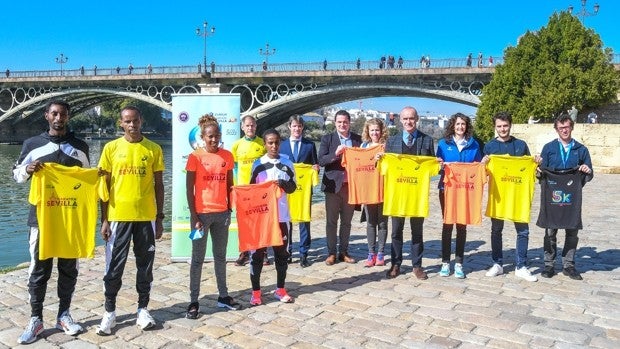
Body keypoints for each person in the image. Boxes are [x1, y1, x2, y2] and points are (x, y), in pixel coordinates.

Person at [12, 100, 88, 344]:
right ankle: (36, 319)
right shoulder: (32, 145)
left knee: (68, 270)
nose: (58, 118)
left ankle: (64, 315)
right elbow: (16, 175)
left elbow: (88, 180)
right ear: (46, 116)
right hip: (41, 220)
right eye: (54, 113)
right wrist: (28, 169)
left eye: (63, 114)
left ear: (68, 116)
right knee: (38, 271)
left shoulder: (80, 147)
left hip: (69, 221)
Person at [96, 106, 164, 335]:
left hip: (146, 217)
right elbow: (102, 187)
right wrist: (104, 219)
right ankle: (109, 312)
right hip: (118, 217)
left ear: (141, 121)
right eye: (127, 121)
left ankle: (143, 309)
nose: (132, 125)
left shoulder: (153, 149)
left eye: (135, 120)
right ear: (121, 123)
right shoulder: (111, 148)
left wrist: (160, 217)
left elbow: (159, 185)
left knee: (145, 267)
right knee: (114, 267)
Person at [185, 114, 240, 319]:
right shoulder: (195, 157)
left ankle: (223, 296)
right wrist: (194, 215)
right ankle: (193, 301)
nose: (214, 140)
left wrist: (230, 208)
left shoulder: (227, 156)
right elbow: (189, 188)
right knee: (197, 259)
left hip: (222, 215)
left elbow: (229, 184)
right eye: (210, 136)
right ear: (202, 137)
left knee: (220, 257)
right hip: (201, 216)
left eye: (217, 136)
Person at [482, 112, 538, 282]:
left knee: (523, 231)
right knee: (496, 230)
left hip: (518, 196)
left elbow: (531, 167)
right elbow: (482, 174)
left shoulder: (520, 145)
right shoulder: (489, 147)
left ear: (510, 125)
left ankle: (521, 266)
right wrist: (483, 163)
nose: (502, 129)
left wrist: (536, 161)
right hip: (498, 195)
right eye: (499, 126)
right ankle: (497, 264)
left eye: (505, 126)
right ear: (495, 127)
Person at [536, 114, 593, 280]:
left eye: (567, 127)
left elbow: (589, 172)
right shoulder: (549, 148)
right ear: (556, 130)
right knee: (550, 231)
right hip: (552, 196)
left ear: (572, 127)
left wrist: (586, 171)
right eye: (561, 128)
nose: (564, 130)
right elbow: (541, 174)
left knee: (572, 231)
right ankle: (549, 264)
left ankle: (569, 265)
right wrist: (538, 171)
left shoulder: (581, 150)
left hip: (572, 197)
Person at [383, 106, 435, 280]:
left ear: (417, 119)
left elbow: (432, 170)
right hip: (398, 194)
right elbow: (384, 168)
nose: (408, 122)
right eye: (405, 119)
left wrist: (438, 164)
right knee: (396, 231)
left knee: (417, 231)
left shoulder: (427, 141)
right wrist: (378, 160)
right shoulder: (391, 141)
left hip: (417, 195)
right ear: (400, 120)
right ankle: (395, 264)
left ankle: (417, 265)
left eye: (411, 118)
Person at [248, 129, 297, 305]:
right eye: (270, 142)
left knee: (281, 255)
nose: (274, 146)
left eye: (276, 142)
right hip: (262, 218)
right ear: (265, 144)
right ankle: (256, 292)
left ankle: (280, 289)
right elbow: (251, 191)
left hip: (281, 217)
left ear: (280, 143)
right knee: (257, 256)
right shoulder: (258, 164)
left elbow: (293, 187)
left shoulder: (287, 163)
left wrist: (283, 184)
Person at [436, 113, 482, 279]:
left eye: (463, 124)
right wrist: (440, 165)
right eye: (457, 124)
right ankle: (445, 262)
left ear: (467, 126)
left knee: (462, 225)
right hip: (446, 189)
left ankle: (459, 263)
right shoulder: (443, 144)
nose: (460, 127)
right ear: (452, 126)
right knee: (447, 225)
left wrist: (483, 164)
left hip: (465, 191)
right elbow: (436, 167)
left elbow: (478, 168)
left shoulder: (474, 145)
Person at [318, 110, 362, 265]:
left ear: (349, 123)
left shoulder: (357, 139)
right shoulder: (327, 139)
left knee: (347, 222)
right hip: (332, 187)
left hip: (350, 187)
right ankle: (331, 253)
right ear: (335, 123)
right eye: (339, 122)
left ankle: (343, 251)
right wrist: (335, 154)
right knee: (331, 221)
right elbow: (321, 161)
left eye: (345, 122)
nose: (342, 124)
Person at [279, 115, 319, 268]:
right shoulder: (282, 146)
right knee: (286, 221)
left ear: (302, 128)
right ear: (290, 127)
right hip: (286, 190)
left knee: (304, 220)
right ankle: (287, 251)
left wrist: (315, 168)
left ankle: (304, 253)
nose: (297, 129)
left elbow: (315, 164)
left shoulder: (310, 146)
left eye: (300, 126)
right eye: (294, 126)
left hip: (304, 189)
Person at [231, 115, 267, 266]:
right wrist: (234, 187)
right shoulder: (237, 145)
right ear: (242, 127)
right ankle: (244, 253)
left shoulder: (262, 144)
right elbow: (233, 169)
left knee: (261, 222)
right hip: (243, 190)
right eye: (247, 126)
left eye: (252, 125)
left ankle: (263, 252)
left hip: (259, 190)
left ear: (256, 126)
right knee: (244, 223)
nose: (250, 128)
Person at [360, 118, 388, 267]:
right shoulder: (363, 146)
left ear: (381, 131)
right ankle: (371, 253)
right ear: (368, 131)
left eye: (377, 130)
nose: (375, 133)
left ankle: (381, 253)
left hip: (384, 189)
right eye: (372, 130)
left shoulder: (387, 147)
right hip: (368, 189)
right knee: (371, 222)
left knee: (382, 223)